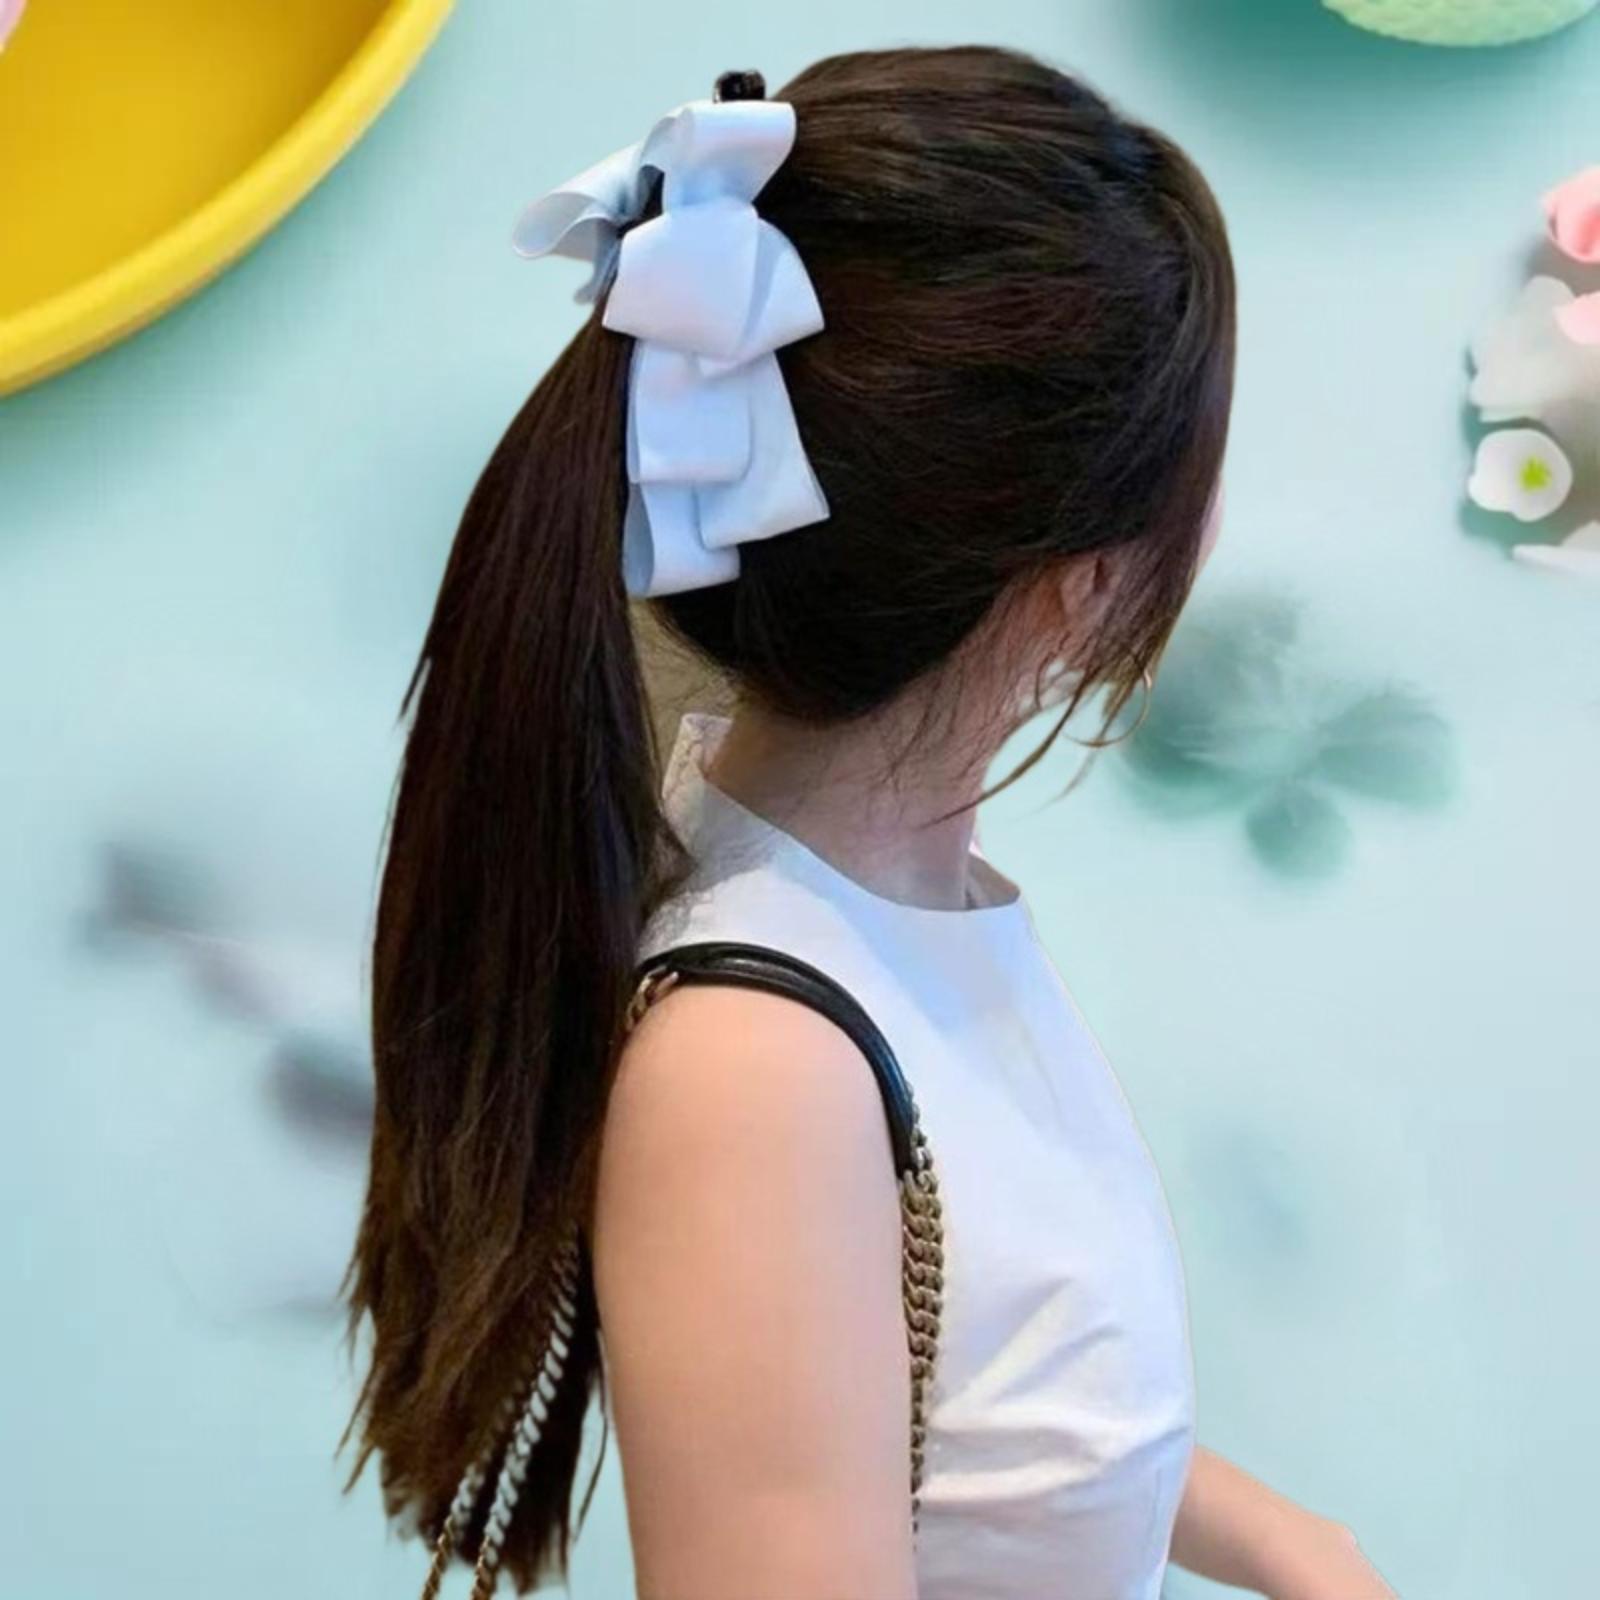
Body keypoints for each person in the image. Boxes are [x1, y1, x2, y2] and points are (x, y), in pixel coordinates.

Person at [340, 43, 1397, 1600]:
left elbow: (989, 1380)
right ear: (1080, 589)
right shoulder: (761, 1067)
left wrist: (1287, 1544)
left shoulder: (898, 913)